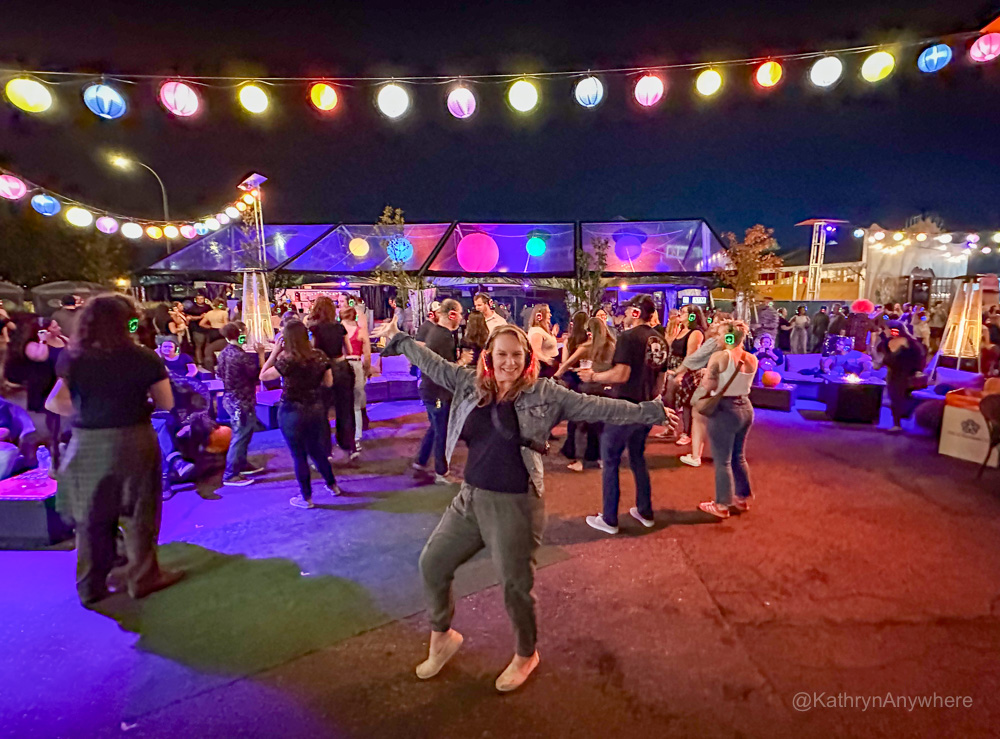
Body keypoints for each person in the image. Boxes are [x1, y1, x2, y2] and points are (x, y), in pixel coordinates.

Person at [380, 319, 676, 692]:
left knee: (514, 588)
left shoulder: (545, 394)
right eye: (501, 355)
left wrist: (650, 411)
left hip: (515, 505)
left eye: (516, 355)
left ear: (527, 357)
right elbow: (433, 364)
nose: (508, 363)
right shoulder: (470, 382)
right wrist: (402, 340)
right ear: (489, 357)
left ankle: (526, 653)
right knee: (432, 563)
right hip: (469, 500)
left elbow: (597, 406)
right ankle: (442, 637)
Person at [46, 294, 182, 606]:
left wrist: (88, 410)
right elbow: (166, 403)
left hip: (87, 442)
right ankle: (143, 578)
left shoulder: (73, 357)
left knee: (91, 516)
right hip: (133, 438)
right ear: (128, 322)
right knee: (139, 512)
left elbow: (54, 401)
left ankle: (90, 586)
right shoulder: (144, 358)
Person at [578, 296, 670, 535]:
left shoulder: (629, 338)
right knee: (638, 457)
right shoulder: (660, 339)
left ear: (637, 313)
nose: (624, 314)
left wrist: (593, 377)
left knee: (610, 460)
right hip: (647, 407)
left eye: (629, 310)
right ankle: (645, 510)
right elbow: (661, 378)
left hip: (625, 407)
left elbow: (621, 374)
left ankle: (609, 518)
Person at [259, 321, 341, 508]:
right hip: (315, 409)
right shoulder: (319, 356)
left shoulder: (287, 360)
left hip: (291, 411)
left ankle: (306, 497)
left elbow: (263, 376)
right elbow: (328, 383)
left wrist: (273, 353)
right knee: (317, 451)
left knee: (299, 455)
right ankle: (333, 486)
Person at [692, 320, 758, 519]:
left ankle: (722, 504)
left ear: (730, 336)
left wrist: (704, 375)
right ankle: (742, 497)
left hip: (725, 409)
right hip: (746, 407)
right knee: (739, 456)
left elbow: (709, 385)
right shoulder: (751, 358)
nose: (717, 338)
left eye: (720, 335)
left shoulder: (719, 357)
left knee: (722, 461)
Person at [557, 316, 617, 471]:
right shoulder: (611, 345)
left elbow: (566, 364)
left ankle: (580, 461)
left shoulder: (586, 347)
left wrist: (555, 376)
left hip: (588, 389)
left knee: (581, 426)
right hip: (606, 390)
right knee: (602, 427)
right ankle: (602, 459)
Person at [413, 299, 462, 483]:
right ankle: (441, 472)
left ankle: (420, 462)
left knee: (435, 427)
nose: (461, 318)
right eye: (460, 313)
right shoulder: (443, 336)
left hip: (431, 390)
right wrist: (462, 361)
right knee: (442, 430)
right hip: (437, 392)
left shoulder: (436, 332)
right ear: (452, 314)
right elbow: (446, 370)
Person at [675, 314, 732, 468]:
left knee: (698, 415)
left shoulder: (716, 348)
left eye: (715, 322)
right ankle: (726, 456)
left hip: (712, 388)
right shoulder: (745, 356)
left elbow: (696, 360)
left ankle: (695, 456)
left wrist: (678, 372)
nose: (712, 324)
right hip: (735, 396)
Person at [11, 317, 66, 469]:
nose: (58, 328)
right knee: (50, 412)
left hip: (60, 381)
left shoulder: (62, 339)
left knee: (61, 411)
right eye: (55, 327)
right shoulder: (32, 345)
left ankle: (58, 437)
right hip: (44, 383)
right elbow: (40, 356)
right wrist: (43, 341)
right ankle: (52, 439)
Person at [215, 322, 265, 487]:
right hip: (242, 400)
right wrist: (261, 354)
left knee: (243, 433)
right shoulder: (241, 356)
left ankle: (241, 464)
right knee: (240, 436)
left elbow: (219, 373)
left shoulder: (223, 353)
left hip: (230, 397)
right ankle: (231, 474)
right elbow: (257, 375)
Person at [307, 295, 356, 458]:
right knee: (345, 409)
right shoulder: (340, 327)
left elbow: (312, 351)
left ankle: (325, 449)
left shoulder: (314, 328)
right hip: (342, 368)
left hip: (323, 370)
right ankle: (348, 445)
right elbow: (349, 350)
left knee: (323, 411)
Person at [661, 305, 707, 445]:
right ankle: (670, 428)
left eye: (684, 312)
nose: (680, 314)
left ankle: (687, 433)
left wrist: (680, 373)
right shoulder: (681, 329)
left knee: (686, 403)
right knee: (669, 399)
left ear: (692, 316)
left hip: (688, 370)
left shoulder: (696, 333)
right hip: (673, 367)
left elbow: (691, 356)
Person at [554, 311, 591, 464]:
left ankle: (571, 448)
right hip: (586, 377)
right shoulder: (589, 340)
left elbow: (565, 362)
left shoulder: (569, 341)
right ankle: (586, 450)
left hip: (572, 379)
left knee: (572, 415)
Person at [876, 320, 926, 432]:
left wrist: (918, 370)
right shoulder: (887, 343)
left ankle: (899, 423)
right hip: (893, 374)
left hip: (904, 375)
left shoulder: (909, 343)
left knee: (900, 398)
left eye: (887, 329)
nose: (885, 331)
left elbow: (918, 358)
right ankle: (897, 423)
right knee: (894, 398)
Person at [339, 305, 370, 451]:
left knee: (343, 403)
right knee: (357, 404)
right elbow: (368, 356)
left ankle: (344, 436)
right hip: (357, 364)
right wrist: (366, 371)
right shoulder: (361, 332)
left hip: (342, 365)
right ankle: (357, 437)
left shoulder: (338, 330)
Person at [527, 304, 560, 378]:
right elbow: (535, 351)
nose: (550, 315)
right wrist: (547, 360)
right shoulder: (537, 332)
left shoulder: (543, 330)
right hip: (544, 368)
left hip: (550, 366)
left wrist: (553, 335)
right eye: (548, 313)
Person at [199, 299, 230, 373]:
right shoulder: (224, 313)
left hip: (212, 332)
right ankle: (224, 369)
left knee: (209, 351)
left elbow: (201, 323)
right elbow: (226, 324)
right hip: (221, 332)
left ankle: (210, 370)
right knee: (223, 351)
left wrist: (209, 327)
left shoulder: (209, 313)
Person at [185, 293, 212, 368]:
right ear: (196, 299)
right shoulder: (192, 308)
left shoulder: (208, 307)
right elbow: (189, 317)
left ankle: (207, 360)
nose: (200, 300)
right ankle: (199, 362)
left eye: (201, 298)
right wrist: (200, 317)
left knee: (207, 346)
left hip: (207, 330)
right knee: (198, 346)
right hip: (196, 329)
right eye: (198, 298)